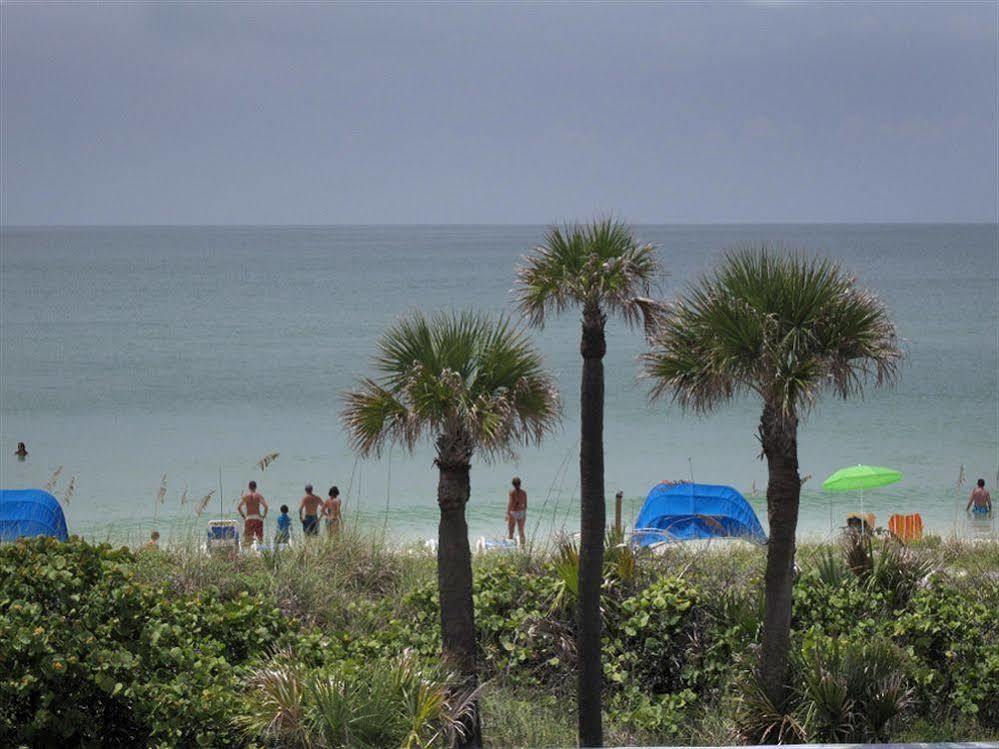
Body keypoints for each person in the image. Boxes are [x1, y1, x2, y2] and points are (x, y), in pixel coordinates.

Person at [237, 480, 269, 545]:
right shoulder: (259, 496)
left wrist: (244, 516)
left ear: (249, 487)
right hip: (258, 518)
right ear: (255, 487)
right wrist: (263, 516)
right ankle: (261, 553)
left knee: (248, 539)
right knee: (260, 539)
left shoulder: (246, 496)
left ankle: (249, 553)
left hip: (249, 518)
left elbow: (239, 507)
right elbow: (266, 507)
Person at [506, 476, 527, 545]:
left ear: (513, 484)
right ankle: (523, 548)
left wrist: (507, 514)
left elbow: (511, 504)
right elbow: (525, 505)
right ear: (520, 484)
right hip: (522, 512)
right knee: (521, 531)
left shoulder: (512, 492)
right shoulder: (524, 493)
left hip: (513, 513)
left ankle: (510, 547)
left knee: (511, 532)